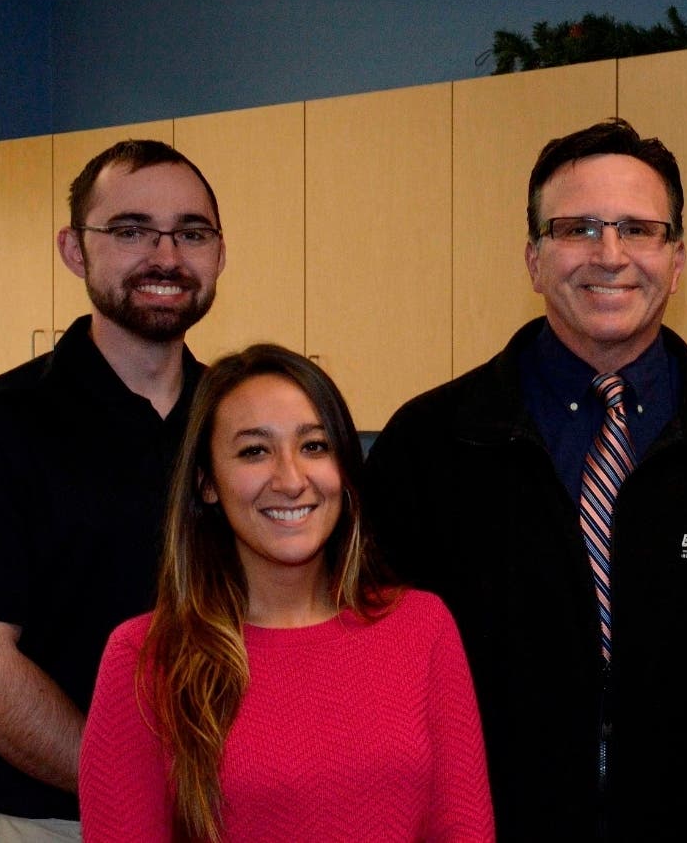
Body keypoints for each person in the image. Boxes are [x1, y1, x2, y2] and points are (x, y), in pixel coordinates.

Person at [364, 118, 687, 841]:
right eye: (577, 228)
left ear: (677, 260)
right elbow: (369, 682)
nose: (610, 255)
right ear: (532, 258)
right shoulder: (431, 444)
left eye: (639, 230)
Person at [79, 344, 494, 842]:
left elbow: (465, 831)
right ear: (208, 483)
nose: (291, 479)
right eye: (255, 451)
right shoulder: (146, 656)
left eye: (314, 446)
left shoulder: (422, 627)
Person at [0, 139, 225, 840]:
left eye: (192, 232)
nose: (166, 256)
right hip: (53, 824)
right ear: (73, 249)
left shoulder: (241, 427)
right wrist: (135, 785)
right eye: (129, 231)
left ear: (219, 252)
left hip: (231, 817)